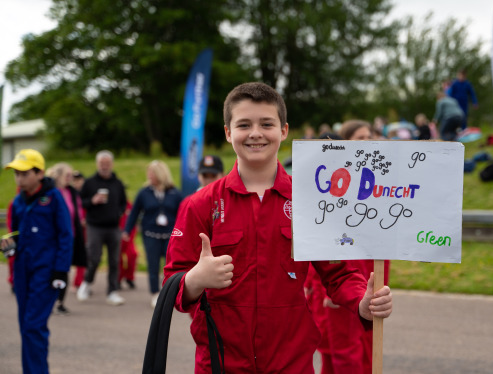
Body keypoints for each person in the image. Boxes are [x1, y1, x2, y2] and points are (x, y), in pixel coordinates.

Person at [163, 82, 393, 373]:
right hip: (220, 363)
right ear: (228, 132)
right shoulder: (199, 204)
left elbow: (339, 273)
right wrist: (195, 279)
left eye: (266, 123)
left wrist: (363, 302)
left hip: (291, 363)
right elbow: (173, 281)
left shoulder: (312, 202)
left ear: (283, 131)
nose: (256, 133)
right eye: (244, 124)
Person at [308, 120, 391, 374]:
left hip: (367, 282)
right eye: (361, 138)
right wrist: (325, 291)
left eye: (370, 137)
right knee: (344, 356)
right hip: (342, 288)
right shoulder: (336, 188)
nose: (368, 142)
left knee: (365, 350)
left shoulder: (373, 186)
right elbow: (321, 244)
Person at [2, 149, 73, 374]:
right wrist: (9, 249)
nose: (19, 178)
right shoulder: (18, 201)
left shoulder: (53, 198)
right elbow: (15, 235)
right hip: (23, 270)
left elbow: (66, 235)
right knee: (26, 326)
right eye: (16, 174)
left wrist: (61, 271)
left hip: (46, 271)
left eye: (24, 173)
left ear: (39, 173)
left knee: (34, 326)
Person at [123, 160, 183, 307]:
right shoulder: (144, 193)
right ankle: (155, 294)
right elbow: (134, 213)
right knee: (153, 265)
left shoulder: (175, 193)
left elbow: (183, 214)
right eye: (148, 173)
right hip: (150, 234)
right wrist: (127, 230)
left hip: (170, 235)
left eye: (152, 173)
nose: (149, 176)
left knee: (171, 265)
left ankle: (169, 293)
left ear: (160, 174)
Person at [77, 150, 127, 305]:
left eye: (107, 163)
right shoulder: (90, 182)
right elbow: (80, 202)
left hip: (113, 227)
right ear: (97, 164)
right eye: (102, 163)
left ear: (111, 164)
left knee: (114, 261)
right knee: (94, 258)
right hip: (95, 226)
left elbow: (123, 203)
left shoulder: (117, 183)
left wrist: (118, 212)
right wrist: (92, 201)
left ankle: (112, 291)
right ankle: (86, 283)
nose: (104, 166)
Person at [46, 163, 87, 315]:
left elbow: (78, 209)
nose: (70, 178)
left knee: (64, 269)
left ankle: (60, 302)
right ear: (58, 175)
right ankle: (49, 299)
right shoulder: (51, 192)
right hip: (53, 237)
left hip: (70, 236)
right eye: (67, 175)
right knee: (51, 268)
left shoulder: (72, 192)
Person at [70, 170, 87, 289]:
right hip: (74, 228)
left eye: (78, 180)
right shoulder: (70, 194)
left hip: (85, 228)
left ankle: (79, 281)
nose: (76, 182)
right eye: (74, 180)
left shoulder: (86, 193)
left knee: (84, 253)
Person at [118, 200, 137, 290]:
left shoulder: (129, 204)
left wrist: (130, 234)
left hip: (128, 236)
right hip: (117, 236)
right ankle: (118, 279)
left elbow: (134, 219)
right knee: (118, 259)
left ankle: (129, 277)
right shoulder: (114, 203)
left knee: (132, 255)